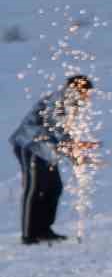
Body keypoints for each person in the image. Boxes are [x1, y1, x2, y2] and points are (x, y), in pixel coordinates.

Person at [10, 74, 97, 244]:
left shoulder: (70, 104)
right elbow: (55, 129)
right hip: (31, 146)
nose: (88, 97)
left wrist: (76, 152)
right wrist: (74, 151)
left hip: (47, 151)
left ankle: (44, 229)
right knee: (34, 188)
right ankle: (29, 234)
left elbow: (61, 133)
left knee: (54, 187)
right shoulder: (60, 100)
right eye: (87, 93)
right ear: (78, 89)